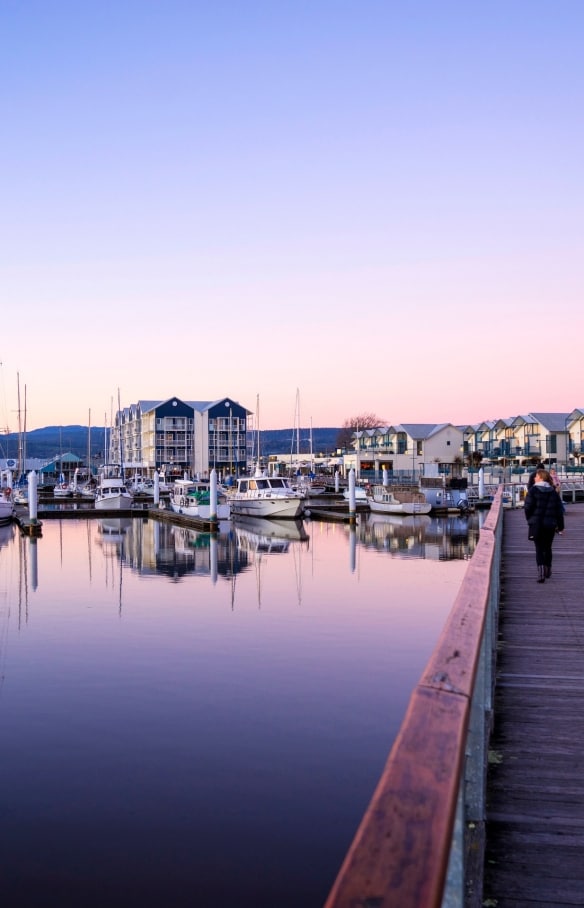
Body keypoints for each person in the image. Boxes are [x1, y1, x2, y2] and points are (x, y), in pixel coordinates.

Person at [524, 468, 565, 582]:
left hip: (537, 524)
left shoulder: (533, 491)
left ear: (541, 477)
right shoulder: (553, 491)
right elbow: (559, 511)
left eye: (536, 476)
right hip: (550, 524)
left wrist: (530, 519)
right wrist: (561, 526)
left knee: (539, 548)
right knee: (548, 547)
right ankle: (548, 570)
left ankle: (541, 574)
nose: (534, 478)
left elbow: (527, 507)